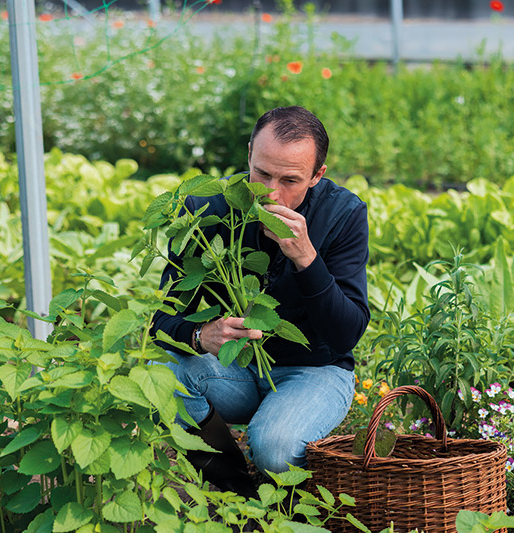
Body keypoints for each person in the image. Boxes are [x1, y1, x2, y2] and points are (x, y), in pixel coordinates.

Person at [151, 106, 369, 497]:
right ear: (250, 153)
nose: (271, 193)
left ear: (318, 176)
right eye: (262, 173)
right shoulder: (206, 209)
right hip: (234, 369)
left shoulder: (343, 214)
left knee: (276, 446)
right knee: (161, 376)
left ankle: (296, 503)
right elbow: (162, 323)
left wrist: (307, 258)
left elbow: (346, 335)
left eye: (290, 180)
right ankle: (238, 494)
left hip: (315, 371)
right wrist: (202, 335)